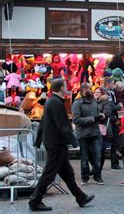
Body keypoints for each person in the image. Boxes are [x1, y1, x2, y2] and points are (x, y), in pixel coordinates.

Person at [29, 79, 94, 212]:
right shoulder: (56, 102)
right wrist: (74, 141)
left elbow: (43, 122)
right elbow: (62, 125)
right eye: (65, 86)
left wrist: (39, 139)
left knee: (67, 173)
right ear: (60, 88)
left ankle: (81, 197)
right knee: (49, 173)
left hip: (54, 142)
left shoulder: (50, 101)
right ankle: (35, 200)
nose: (67, 88)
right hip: (56, 143)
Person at [72, 83, 104, 185]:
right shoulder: (77, 103)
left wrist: (101, 115)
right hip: (83, 133)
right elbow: (76, 119)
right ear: (84, 90)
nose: (92, 91)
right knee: (84, 157)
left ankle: (97, 176)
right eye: (90, 89)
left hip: (95, 132)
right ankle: (84, 177)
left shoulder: (94, 101)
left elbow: (97, 113)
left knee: (98, 156)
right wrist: (92, 119)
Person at [103, 77, 122, 171]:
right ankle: (114, 164)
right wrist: (119, 107)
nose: (114, 85)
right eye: (112, 84)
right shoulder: (107, 93)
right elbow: (111, 106)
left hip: (112, 119)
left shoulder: (111, 92)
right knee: (113, 141)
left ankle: (114, 163)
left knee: (114, 142)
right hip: (110, 120)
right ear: (108, 84)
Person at [94, 88, 113, 172]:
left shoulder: (106, 102)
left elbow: (107, 113)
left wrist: (100, 115)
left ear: (102, 93)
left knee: (101, 150)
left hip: (103, 129)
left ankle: (98, 169)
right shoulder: (93, 101)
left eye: (98, 92)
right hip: (94, 128)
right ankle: (95, 168)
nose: (96, 93)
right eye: (95, 92)